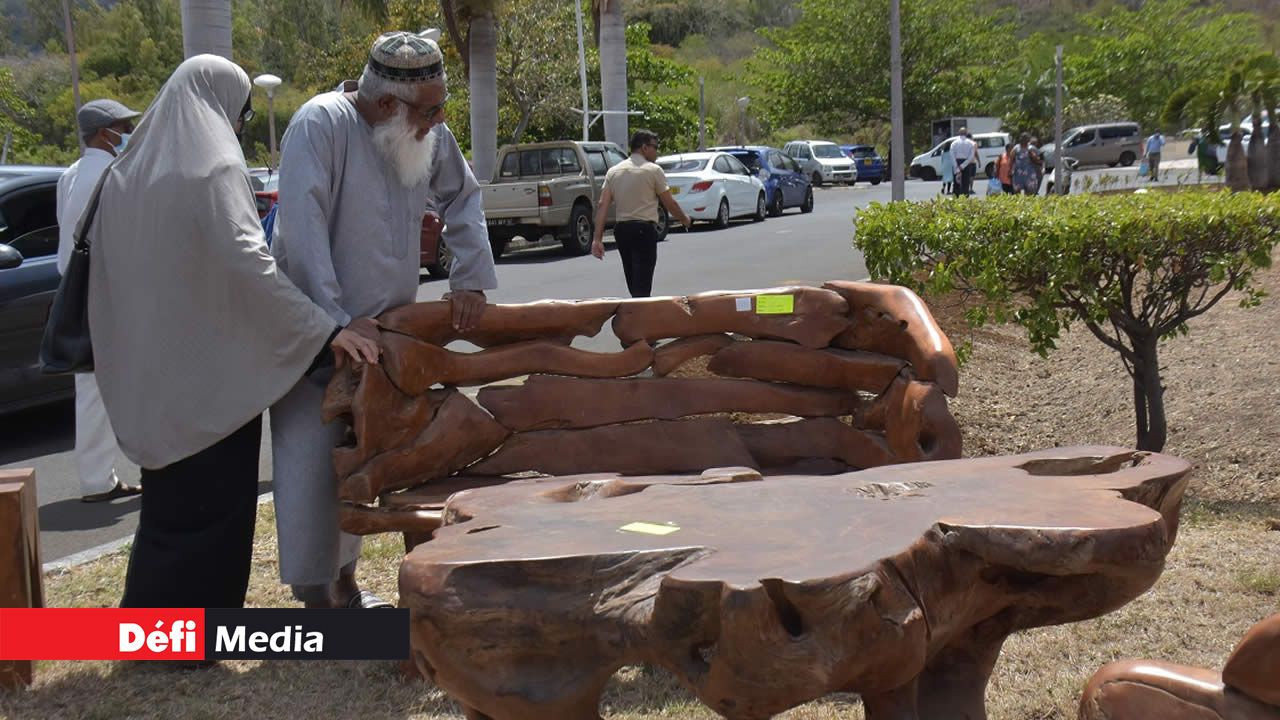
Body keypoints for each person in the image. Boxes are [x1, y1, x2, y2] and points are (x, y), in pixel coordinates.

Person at [86, 55, 381, 609]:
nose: (240, 126)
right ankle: (189, 642)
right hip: (209, 381)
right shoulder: (215, 170)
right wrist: (324, 330)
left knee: (166, 513)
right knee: (211, 513)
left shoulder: (128, 173)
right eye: (242, 113)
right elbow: (250, 268)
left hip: (150, 375)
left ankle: (148, 632)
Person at [270, 30, 498, 609]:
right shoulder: (319, 125)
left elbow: (462, 198)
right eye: (429, 109)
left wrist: (468, 276)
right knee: (311, 461)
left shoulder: (424, 130)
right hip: (320, 335)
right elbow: (301, 232)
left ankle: (347, 584)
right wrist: (336, 321)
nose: (438, 121)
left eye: (442, 106)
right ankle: (316, 597)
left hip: (389, 338)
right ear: (385, 104)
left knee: (368, 456)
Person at [55, 98, 141, 503]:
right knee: (119, 385)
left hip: (77, 287)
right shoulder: (111, 174)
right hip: (107, 291)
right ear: (104, 132)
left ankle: (98, 477)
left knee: (91, 388)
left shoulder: (71, 175)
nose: (127, 134)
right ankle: (102, 479)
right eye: (123, 127)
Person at [590, 129, 690, 298]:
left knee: (633, 282)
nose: (656, 152)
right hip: (644, 230)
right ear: (644, 147)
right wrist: (685, 219)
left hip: (622, 231)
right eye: (655, 147)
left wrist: (597, 239)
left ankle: (636, 316)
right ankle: (640, 319)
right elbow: (669, 202)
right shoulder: (653, 170)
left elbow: (602, 205)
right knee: (643, 284)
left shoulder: (614, 172)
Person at [950, 129, 978, 196]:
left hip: (956, 163)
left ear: (959, 133)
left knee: (956, 182)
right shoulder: (971, 143)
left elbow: (952, 155)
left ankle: (956, 197)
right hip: (966, 164)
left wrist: (956, 166)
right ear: (966, 133)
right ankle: (965, 198)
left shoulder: (954, 143)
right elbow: (971, 156)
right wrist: (962, 166)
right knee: (966, 182)